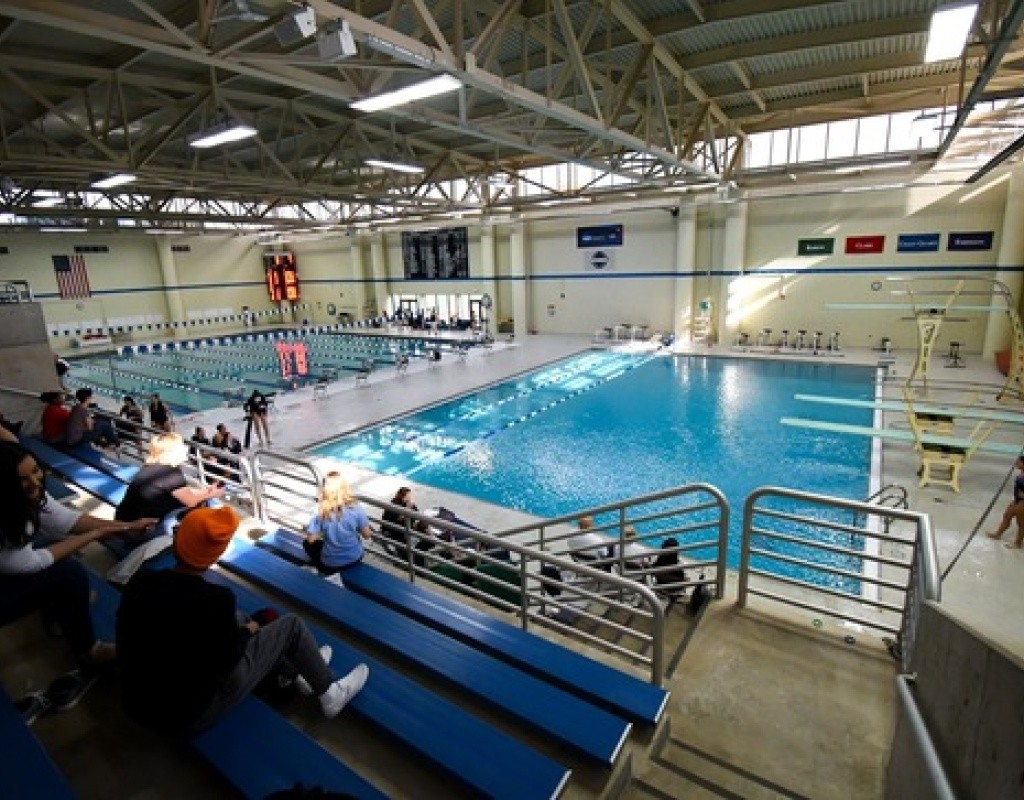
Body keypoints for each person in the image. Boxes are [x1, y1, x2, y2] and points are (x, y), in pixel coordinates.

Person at [116, 505, 368, 736]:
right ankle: (329, 693)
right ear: (214, 556)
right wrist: (249, 630)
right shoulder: (214, 599)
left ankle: (301, 668)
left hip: (139, 703)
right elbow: (228, 661)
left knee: (237, 618)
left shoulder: (142, 581)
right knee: (290, 626)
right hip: (188, 714)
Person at [0, 442, 155, 701]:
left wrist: (126, 526)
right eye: (22, 479)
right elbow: (30, 564)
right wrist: (97, 534)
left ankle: (61, 609)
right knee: (68, 572)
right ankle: (90, 652)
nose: (35, 482)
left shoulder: (30, 494)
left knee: (58, 556)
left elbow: (68, 521)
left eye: (36, 471)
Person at [115, 432, 224, 522]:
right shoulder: (171, 474)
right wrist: (212, 494)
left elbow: (181, 492)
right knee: (208, 506)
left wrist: (205, 491)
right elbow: (191, 501)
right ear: (171, 452)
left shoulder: (153, 466)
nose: (186, 449)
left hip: (124, 523)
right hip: (137, 532)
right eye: (182, 446)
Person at [303, 472, 372, 574]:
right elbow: (367, 535)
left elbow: (311, 539)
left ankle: (317, 568)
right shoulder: (356, 507)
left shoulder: (319, 510)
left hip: (331, 564)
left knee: (306, 544)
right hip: (356, 557)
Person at [380, 486, 434, 567]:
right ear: (403, 496)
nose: (411, 497)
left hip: (406, 526)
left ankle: (430, 538)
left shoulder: (408, 503)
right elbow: (400, 519)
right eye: (409, 495)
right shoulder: (394, 504)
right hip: (394, 530)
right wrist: (408, 507)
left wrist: (421, 520)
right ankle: (408, 556)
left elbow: (417, 514)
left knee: (423, 523)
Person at [988, 455, 1024, 549]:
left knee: (1021, 523)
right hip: (1016, 500)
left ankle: (1018, 543)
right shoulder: (1021, 473)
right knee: (1006, 516)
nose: (1016, 463)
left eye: (1019, 461)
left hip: (1022, 503)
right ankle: (998, 534)